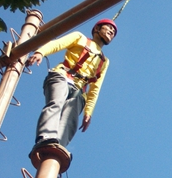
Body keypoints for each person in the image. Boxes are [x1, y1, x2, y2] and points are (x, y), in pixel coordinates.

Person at [26, 19, 117, 150]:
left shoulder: (104, 61)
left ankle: (57, 148)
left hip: (79, 89)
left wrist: (88, 112)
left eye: (113, 32)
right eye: (108, 27)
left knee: (71, 119)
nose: (111, 31)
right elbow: (57, 44)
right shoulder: (79, 37)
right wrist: (40, 52)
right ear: (97, 29)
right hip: (61, 77)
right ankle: (45, 137)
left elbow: (95, 88)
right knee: (56, 104)